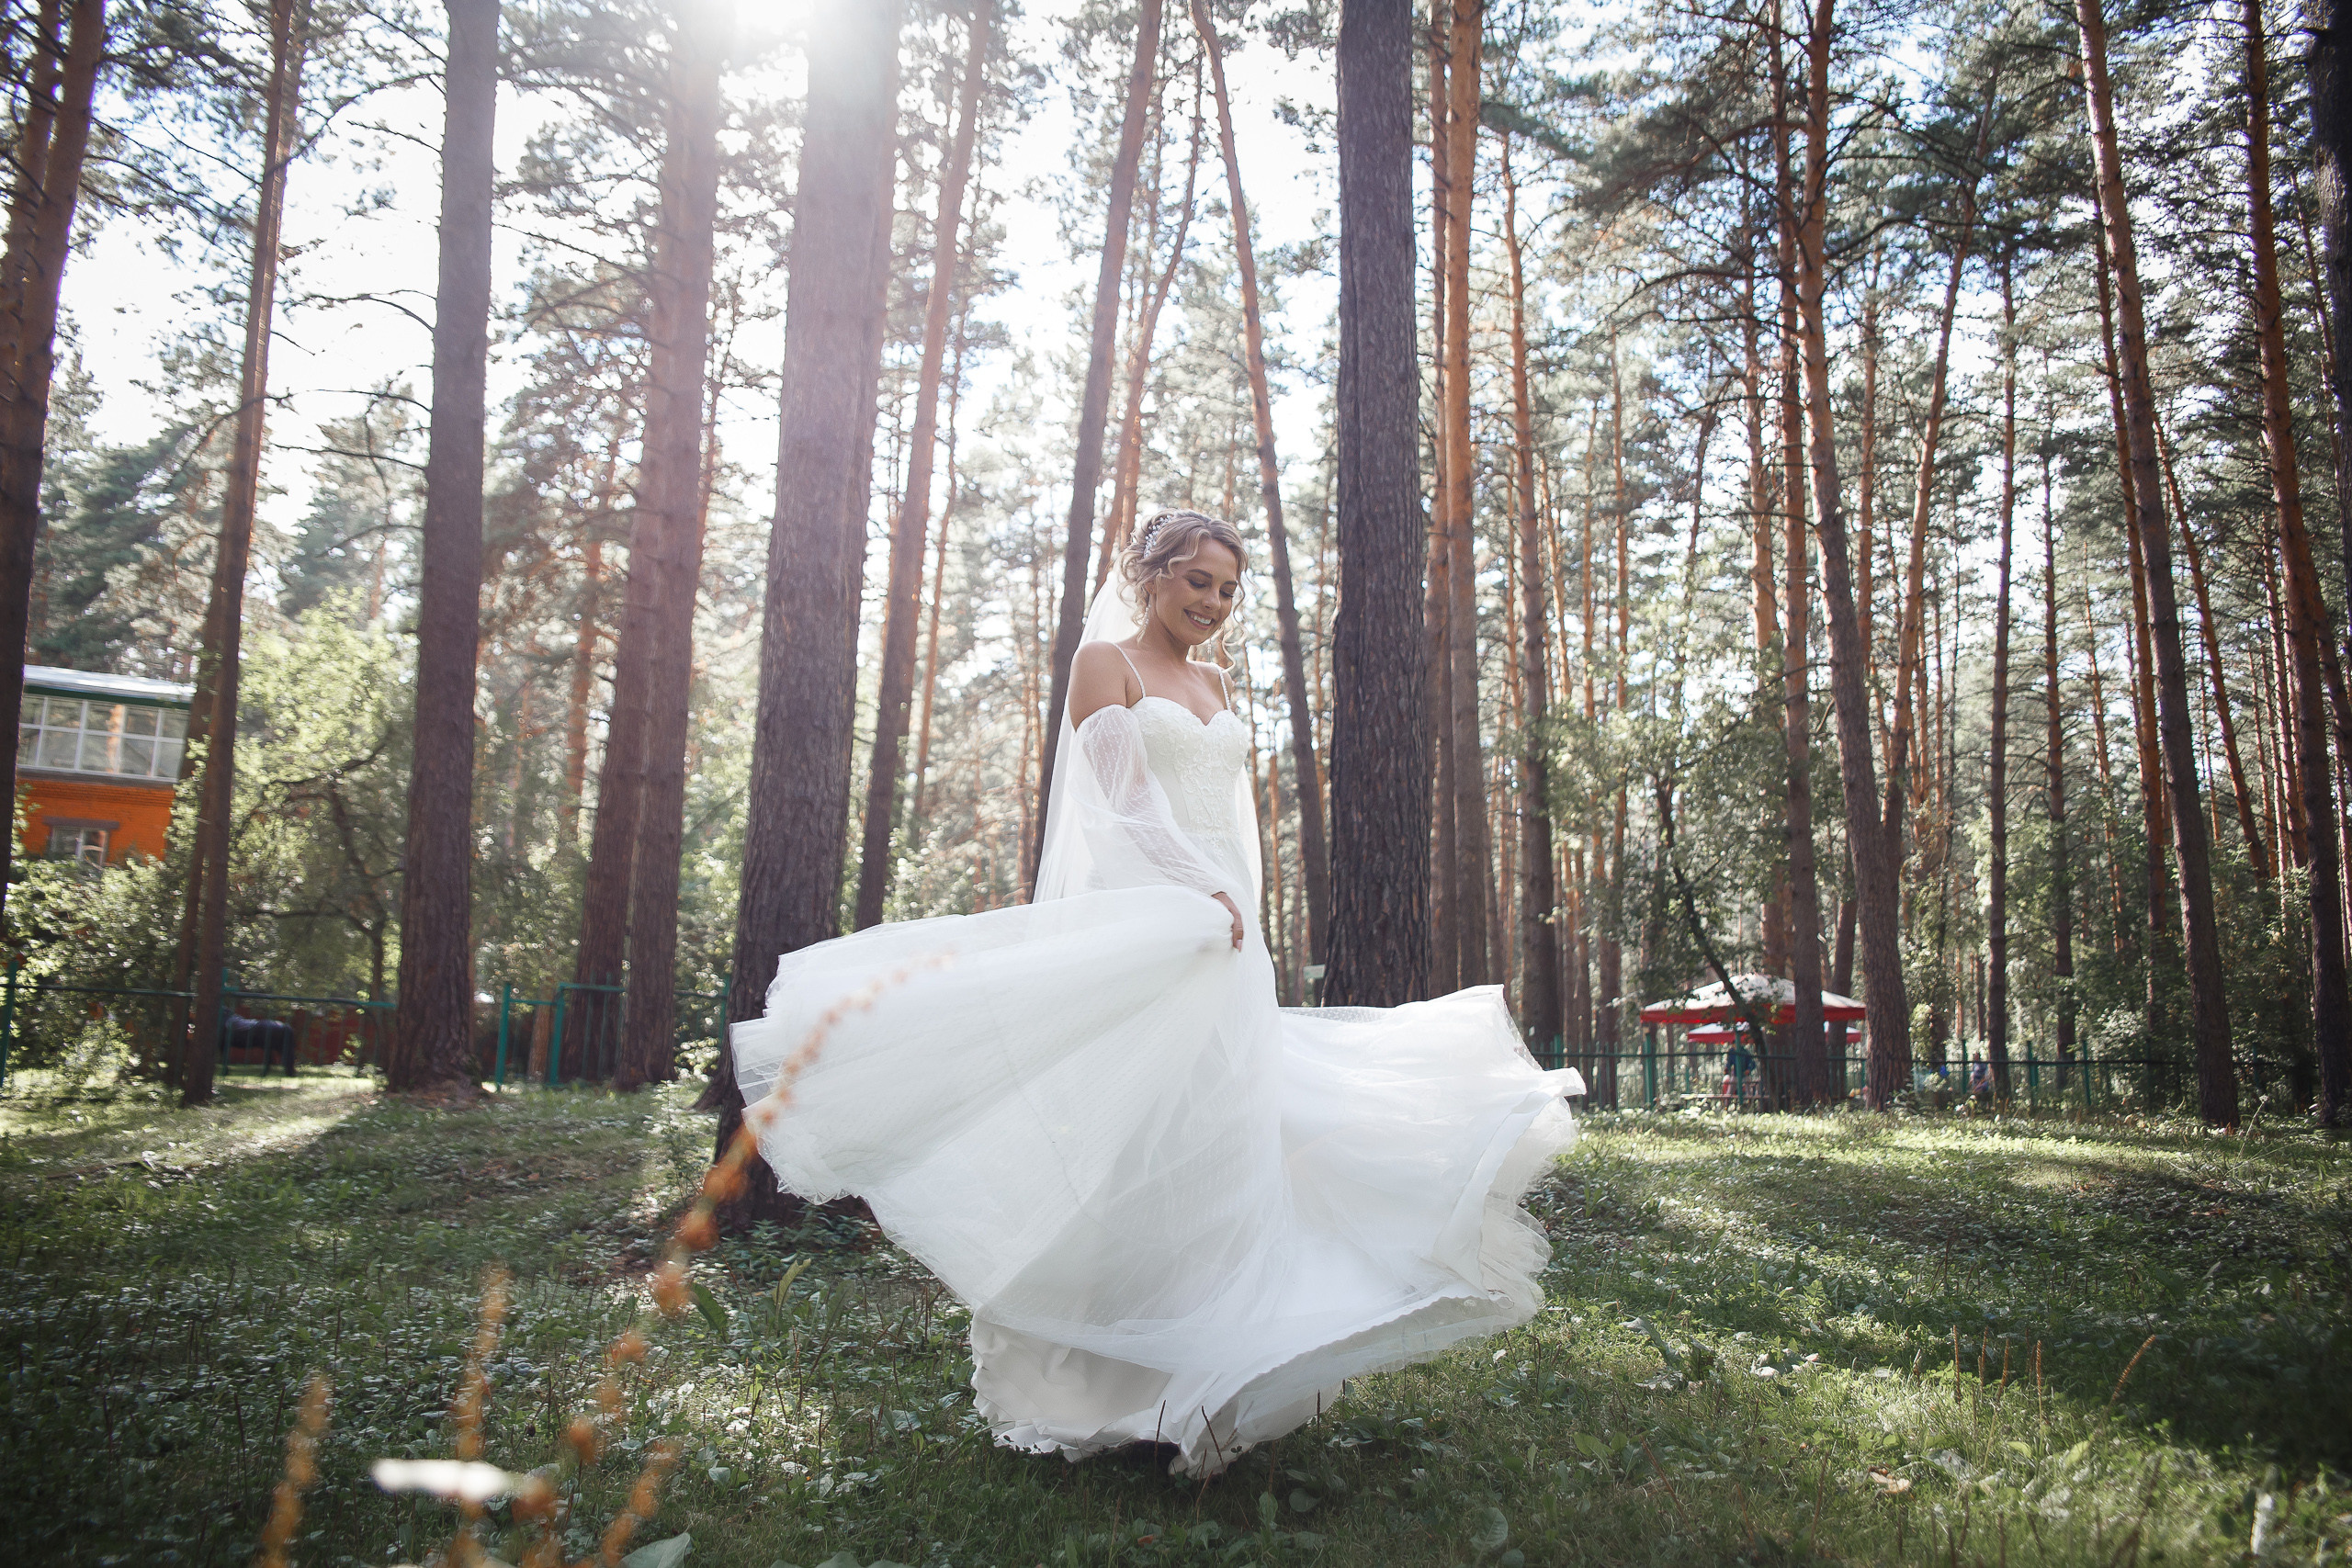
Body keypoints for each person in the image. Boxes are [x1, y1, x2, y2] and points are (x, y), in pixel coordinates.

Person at [730, 510, 1583, 1477]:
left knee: (1219, 1136)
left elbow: (1228, 820)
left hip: (1223, 932)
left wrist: (1239, 910)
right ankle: (1107, 1383)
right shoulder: (1107, 665)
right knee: (1133, 1139)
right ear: (1150, 576)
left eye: (1228, 590)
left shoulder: (1214, 682)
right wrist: (1198, 889)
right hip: (1150, 914)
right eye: (1197, 582)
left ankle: (1210, 1373)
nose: (1213, 605)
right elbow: (1122, 805)